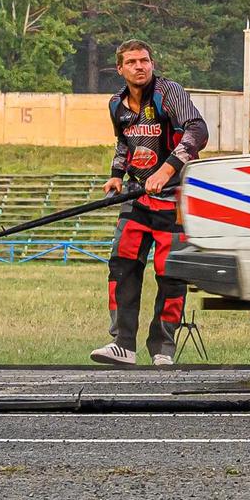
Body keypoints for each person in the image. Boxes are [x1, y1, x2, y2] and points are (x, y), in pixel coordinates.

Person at [91, 39, 209, 367]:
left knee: (171, 274)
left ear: (152, 63)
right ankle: (123, 344)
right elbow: (123, 143)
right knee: (122, 267)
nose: (139, 66)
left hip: (175, 200)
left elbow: (197, 131)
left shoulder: (169, 92)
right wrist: (116, 175)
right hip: (137, 198)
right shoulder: (117, 104)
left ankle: (163, 348)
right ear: (120, 68)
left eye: (144, 60)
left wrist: (167, 169)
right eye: (131, 62)